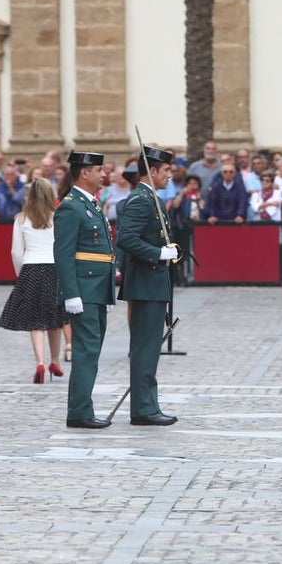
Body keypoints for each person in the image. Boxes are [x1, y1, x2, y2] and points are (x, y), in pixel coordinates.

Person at [115, 146, 181, 426]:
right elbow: (126, 239)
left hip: (153, 283)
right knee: (144, 347)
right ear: (152, 172)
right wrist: (158, 254)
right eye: (165, 170)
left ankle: (148, 403)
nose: (170, 174)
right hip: (144, 283)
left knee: (151, 347)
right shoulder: (141, 200)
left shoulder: (152, 199)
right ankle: (143, 409)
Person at [54, 152, 116, 428]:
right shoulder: (71, 206)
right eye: (99, 170)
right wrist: (72, 293)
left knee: (91, 350)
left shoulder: (89, 203)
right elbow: (64, 253)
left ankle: (82, 408)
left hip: (96, 288)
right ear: (84, 173)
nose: (103, 174)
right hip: (84, 290)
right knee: (86, 351)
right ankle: (79, 411)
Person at [0, 178, 68, 383]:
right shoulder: (58, 218)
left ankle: (39, 362)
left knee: (35, 322)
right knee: (55, 320)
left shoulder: (21, 219)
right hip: (53, 268)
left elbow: (16, 251)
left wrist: (21, 274)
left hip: (30, 268)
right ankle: (55, 360)